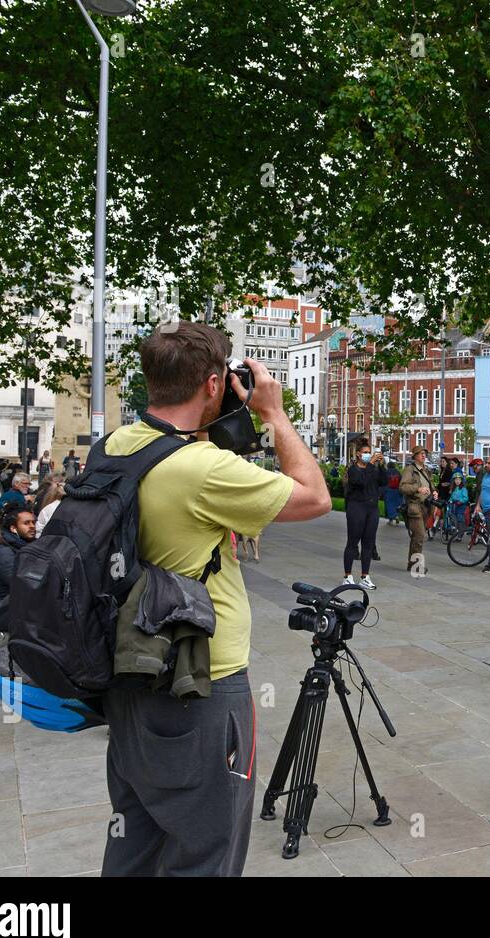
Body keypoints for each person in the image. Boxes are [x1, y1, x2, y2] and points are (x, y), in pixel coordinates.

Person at [99, 322, 330, 876]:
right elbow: (316, 496)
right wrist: (271, 413)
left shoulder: (115, 447)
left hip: (129, 679)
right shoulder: (202, 470)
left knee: (136, 846)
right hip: (200, 685)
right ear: (211, 384)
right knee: (208, 853)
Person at [0, 506, 36, 631]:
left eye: (33, 522)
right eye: (26, 523)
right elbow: (21, 583)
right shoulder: (4, 553)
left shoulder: (29, 548)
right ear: (13, 528)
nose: (32, 526)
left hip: (17, 607)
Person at [343, 439, 387, 589]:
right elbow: (360, 482)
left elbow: (383, 481)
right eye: (365, 453)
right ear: (358, 454)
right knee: (352, 542)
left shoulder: (373, 468)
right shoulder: (353, 469)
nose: (368, 455)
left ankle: (365, 576)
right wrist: (371, 464)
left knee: (368, 543)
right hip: (357, 508)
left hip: (372, 508)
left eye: (370, 453)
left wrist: (381, 465)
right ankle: (348, 576)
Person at [401, 445, 434, 575]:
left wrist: (434, 491)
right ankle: (416, 565)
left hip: (426, 507)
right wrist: (417, 489)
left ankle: (412, 563)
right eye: (421, 454)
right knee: (419, 535)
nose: (424, 456)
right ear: (415, 456)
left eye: (425, 453)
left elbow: (430, 485)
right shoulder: (409, 470)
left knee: (417, 536)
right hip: (415, 506)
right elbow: (403, 487)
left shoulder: (425, 470)